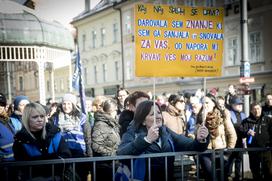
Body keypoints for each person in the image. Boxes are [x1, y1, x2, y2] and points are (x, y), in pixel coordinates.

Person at [117, 100, 209, 181]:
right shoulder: (132, 133)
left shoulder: (166, 131)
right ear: (143, 121)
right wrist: (146, 140)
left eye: (159, 112)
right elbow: (121, 153)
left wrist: (200, 139)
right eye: (152, 114)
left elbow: (189, 145)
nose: (158, 116)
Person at [12, 103, 71, 179]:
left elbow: (66, 156)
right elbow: (24, 166)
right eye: (35, 117)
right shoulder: (20, 140)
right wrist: (51, 159)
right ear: (27, 119)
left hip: (56, 178)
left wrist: (41, 162)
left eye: (42, 116)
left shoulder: (55, 134)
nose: (40, 120)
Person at [196, 93, 237, 180]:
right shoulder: (200, 116)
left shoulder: (222, 115)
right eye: (203, 103)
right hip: (206, 152)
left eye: (207, 102)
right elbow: (197, 136)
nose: (205, 105)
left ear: (214, 103)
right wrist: (203, 119)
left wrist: (228, 152)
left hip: (221, 151)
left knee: (222, 177)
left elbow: (232, 135)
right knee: (211, 177)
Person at [240, 102, 272, 180]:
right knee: (255, 171)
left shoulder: (268, 120)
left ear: (261, 109)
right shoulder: (246, 121)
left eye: (258, 109)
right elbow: (241, 132)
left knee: (268, 171)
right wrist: (247, 132)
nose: (256, 111)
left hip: (266, 150)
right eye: (254, 109)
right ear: (251, 111)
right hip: (253, 150)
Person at [91, 98, 121, 180]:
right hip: (105, 167)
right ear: (111, 111)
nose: (117, 112)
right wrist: (112, 155)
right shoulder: (101, 124)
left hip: (113, 164)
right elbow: (95, 145)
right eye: (116, 110)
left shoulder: (111, 123)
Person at [226, 96, 247, 181]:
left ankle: (238, 176)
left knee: (239, 159)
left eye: (240, 104)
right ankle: (228, 175)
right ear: (232, 105)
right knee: (230, 159)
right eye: (238, 104)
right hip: (232, 141)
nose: (240, 106)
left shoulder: (243, 114)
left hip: (240, 141)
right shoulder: (229, 113)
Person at [0, 93, 15, 162]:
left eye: (2, 104)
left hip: (14, 166)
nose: (0, 107)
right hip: (4, 167)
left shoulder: (7, 120)